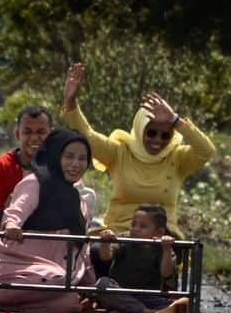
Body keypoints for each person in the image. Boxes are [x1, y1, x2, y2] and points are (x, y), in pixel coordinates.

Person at [62, 62, 215, 237]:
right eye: (151, 133)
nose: (157, 140)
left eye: (165, 135)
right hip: (118, 234)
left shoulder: (178, 157)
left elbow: (206, 150)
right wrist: (70, 102)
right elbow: (87, 135)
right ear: (140, 129)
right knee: (99, 254)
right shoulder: (119, 151)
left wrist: (175, 120)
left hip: (163, 238)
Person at [0, 129, 94, 313]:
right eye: (69, 157)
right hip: (18, 267)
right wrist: (12, 225)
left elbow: (81, 249)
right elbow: (16, 210)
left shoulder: (79, 201)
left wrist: (90, 285)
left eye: (82, 158)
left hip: (56, 273)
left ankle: (12, 303)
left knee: (70, 302)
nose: (75, 164)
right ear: (55, 156)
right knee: (58, 279)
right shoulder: (36, 183)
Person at [92, 204, 176, 313]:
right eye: (133, 225)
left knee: (172, 305)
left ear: (159, 232)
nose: (135, 229)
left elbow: (166, 273)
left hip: (148, 297)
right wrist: (105, 243)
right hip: (121, 293)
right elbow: (106, 257)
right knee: (102, 284)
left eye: (143, 226)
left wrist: (166, 249)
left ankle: (128, 312)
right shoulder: (125, 240)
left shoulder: (162, 247)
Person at [0, 106, 53, 223]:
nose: (34, 138)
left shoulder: (60, 167)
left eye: (41, 132)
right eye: (27, 132)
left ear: (51, 135)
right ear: (17, 134)